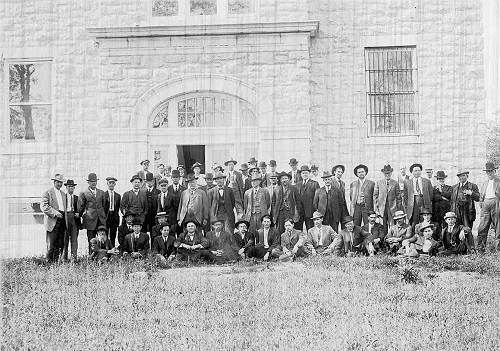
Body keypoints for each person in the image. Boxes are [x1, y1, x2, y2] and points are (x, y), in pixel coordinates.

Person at [78, 173, 106, 255]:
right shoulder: (84, 193)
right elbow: (81, 207)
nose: (93, 183)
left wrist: (103, 215)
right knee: (91, 239)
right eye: (91, 181)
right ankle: (91, 256)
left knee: (102, 238)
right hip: (90, 219)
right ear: (88, 182)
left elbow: (104, 205)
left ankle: (102, 256)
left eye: (95, 181)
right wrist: (80, 216)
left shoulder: (101, 192)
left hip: (100, 219)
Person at [41, 174, 67, 263]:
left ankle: (56, 263)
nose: (60, 184)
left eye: (61, 182)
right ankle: (48, 263)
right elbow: (44, 206)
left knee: (60, 244)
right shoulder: (47, 193)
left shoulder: (63, 194)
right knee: (51, 244)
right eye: (58, 182)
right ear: (54, 182)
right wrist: (56, 213)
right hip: (53, 221)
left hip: (62, 220)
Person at [477, 162, 500, 252]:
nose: (489, 173)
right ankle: (480, 249)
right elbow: (481, 195)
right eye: (487, 172)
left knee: (498, 227)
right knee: (483, 226)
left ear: (494, 171)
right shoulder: (485, 183)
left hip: (496, 204)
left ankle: (498, 249)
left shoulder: (499, 181)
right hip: (486, 204)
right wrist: (481, 202)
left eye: (491, 171)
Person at [403, 163, 433, 227]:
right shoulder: (407, 182)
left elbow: (431, 194)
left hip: (424, 202)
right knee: (414, 221)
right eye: (415, 171)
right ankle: (414, 235)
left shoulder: (426, 181)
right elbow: (406, 196)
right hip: (413, 202)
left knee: (424, 219)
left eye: (419, 170)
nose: (417, 172)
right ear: (412, 172)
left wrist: (426, 201)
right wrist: (408, 206)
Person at [373, 164, 401, 231]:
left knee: (393, 225)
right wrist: (376, 209)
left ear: (391, 173)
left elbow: (398, 197)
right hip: (382, 208)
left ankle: (392, 239)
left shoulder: (395, 183)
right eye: (385, 173)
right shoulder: (378, 183)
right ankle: (383, 239)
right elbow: (375, 196)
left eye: (388, 173)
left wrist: (398, 209)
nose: (387, 175)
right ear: (383, 173)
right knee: (383, 225)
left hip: (392, 208)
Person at [158, 170, 185, 235]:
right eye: (174, 177)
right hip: (165, 219)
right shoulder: (168, 189)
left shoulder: (184, 189)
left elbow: (177, 207)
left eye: (177, 177)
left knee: (179, 233)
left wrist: (178, 218)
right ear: (171, 178)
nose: (175, 179)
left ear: (179, 178)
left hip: (175, 217)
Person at [295, 165, 320, 231]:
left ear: (309, 173)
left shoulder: (314, 184)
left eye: (306, 173)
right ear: (301, 174)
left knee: (310, 230)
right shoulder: (298, 184)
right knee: (298, 230)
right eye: (303, 173)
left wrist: (316, 210)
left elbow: (317, 198)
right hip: (299, 212)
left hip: (310, 211)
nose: (305, 174)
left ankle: (311, 241)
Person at [62, 179, 80, 262]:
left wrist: (78, 213)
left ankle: (74, 259)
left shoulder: (77, 198)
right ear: (66, 187)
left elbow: (80, 208)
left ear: (74, 188)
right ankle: (64, 258)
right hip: (65, 218)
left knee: (74, 239)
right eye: (69, 186)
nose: (71, 188)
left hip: (74, 219)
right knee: (65, 239)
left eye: (72, 187)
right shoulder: (63, 197)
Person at [104, 176, 121, 247]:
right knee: (105, 235)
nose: (111, 184)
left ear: (115, 184)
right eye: (110, 183)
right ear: (107, 184)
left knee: (113, 236)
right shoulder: (103, 195)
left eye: (113, 183)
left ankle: (113, 250)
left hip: (114, 217)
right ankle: (106, 251)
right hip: (106, 217)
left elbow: (119, 207)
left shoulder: (118, 196)